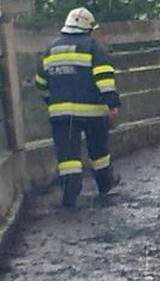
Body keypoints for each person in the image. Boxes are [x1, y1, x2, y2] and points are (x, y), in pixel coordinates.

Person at [34, 7, 121, 208]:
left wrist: (53, 103)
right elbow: (104, 78)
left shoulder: (50, 49)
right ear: (88, 28)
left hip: (61, 114)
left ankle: (70, 189)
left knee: (67, 155)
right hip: (92, 112)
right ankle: (105, 183)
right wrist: (112, 103)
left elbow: (40, 83)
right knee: (99, 151)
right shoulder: (93, 47)